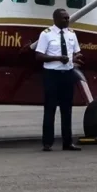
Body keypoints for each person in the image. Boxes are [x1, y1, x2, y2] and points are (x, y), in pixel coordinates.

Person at [35, 8, 83, 151]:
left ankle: (67, 142)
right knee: (50, 109)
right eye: (64, 18)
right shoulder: (46, 34)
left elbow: (77, 52)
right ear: (55, 19)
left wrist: (75, 58)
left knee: (67, 109)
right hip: (52, 74)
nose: (67, 20)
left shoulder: (72, 34)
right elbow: (39, 55)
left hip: (67, 73)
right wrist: (57, 58)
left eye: (68, 18)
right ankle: (47, 142)